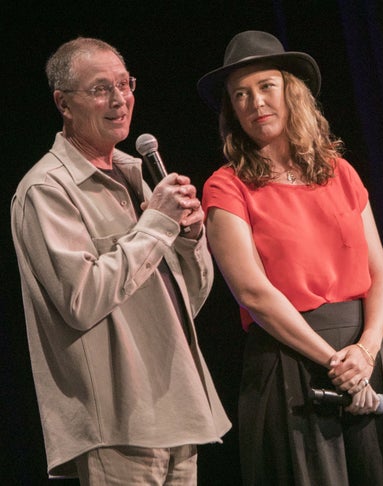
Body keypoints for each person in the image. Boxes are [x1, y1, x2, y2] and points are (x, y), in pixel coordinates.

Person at [197, 30, 383, 485]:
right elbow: (254, 293)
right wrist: (336, 363)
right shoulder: (226, 186)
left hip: (363, 358)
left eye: (266, 86)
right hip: (291, 365)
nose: (255, 102)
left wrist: (366, 352)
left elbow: (379, 272)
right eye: (240, 94)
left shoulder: (339, 171)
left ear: (291, 92)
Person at [11, 37, 231, 484]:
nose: (118, 100)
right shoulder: (47, 190)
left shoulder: (138, 173)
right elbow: (82, 299)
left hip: (180, 408)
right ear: (63, 104)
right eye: (99, 89)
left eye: (124, 84)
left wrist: (189, 238)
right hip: (118, 422)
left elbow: (185, 302)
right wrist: (155, 225)